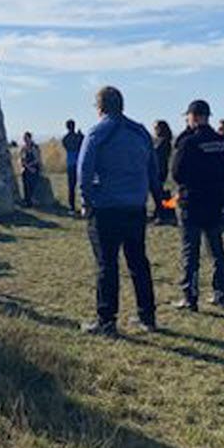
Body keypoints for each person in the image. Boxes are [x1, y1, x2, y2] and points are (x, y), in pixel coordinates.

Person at [79, 86, 161, 336]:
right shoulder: (140, 132)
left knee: (107, 265)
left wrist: (86, 200)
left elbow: (84, 170)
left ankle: (106, 320)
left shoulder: (98, 132)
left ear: (100, 107)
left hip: (106, 208)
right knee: (138, 262)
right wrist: (157, 200)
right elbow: (153, 170)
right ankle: (147, 316)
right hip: (135, 207)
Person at [171, 100, 224, 311]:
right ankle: (221, 294)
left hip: (192, 202)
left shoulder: (189, 142)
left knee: (191, 252)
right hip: (215, 201)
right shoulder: (222, 142)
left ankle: (190, 296)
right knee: (217, 251)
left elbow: (177, 172)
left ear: (193, 117)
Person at [152, 120, 173, 223]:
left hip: (160, 169)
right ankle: (160, 212)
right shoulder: (157, 140)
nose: (155, 130)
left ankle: (163, 213)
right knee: (157, 192)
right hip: (156, 169)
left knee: (159, 193)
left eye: (156, 128)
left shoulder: (164, 141)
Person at [61, 120, 84, 213]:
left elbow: (66, 146)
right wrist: (81, 135)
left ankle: (72, 207)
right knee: (83, 185)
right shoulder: (79, 137)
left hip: (70, 163)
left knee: (71, 186)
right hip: (79, 163)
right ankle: (84, 206)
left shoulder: (65, 138)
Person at [20, 132, 43, 207]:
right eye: (24, 139)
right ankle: (27, 199)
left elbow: (37, 159)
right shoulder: (23, 148)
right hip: (27, 168)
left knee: (32, 179)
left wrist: (30, 166)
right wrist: (28, 166)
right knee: (25, 177)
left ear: (30, 138)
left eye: (26, 138)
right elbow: (22, 160)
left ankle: (32, 199)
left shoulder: (35, 147)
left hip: (34, 167)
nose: (25, 140)